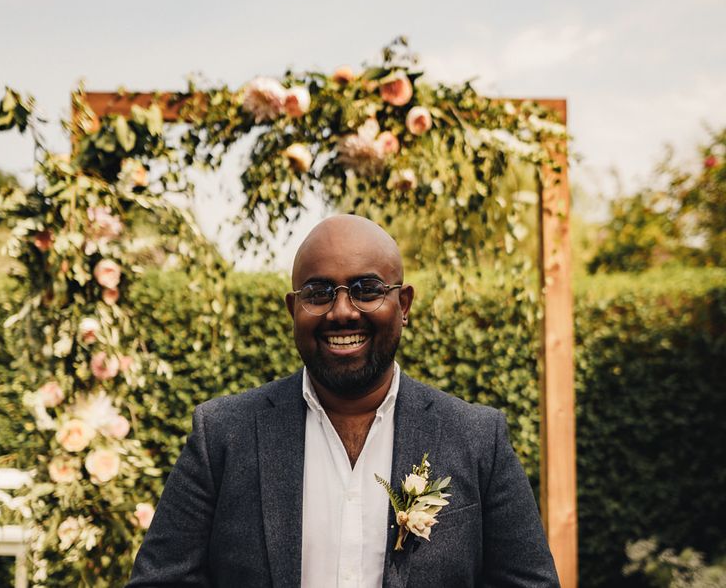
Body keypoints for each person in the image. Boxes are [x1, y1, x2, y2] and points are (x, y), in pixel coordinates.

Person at [127, 215, 560, 587]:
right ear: (293, 310)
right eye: (318, 293)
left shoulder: (477, 439)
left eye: (366, 289)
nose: (342, 311)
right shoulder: (223, 435)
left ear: (403, 304)